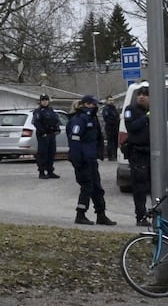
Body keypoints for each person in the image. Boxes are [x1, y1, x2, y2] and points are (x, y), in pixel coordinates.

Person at [66, 94, 112, 225]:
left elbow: (96, 139)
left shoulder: (92, 118)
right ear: (86, 104)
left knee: (97, 187)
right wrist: (77, 159)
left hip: (91, 158)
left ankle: (101, 214)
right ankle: (80, 214)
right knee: (87, 186)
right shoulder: (80, 119)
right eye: (92, 104)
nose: (95, 106)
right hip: (83, 159)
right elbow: (74, 140)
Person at [121, 85, 155, 227]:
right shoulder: (131, 110)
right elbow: (131, 127)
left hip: (152, 152)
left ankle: (157, 216)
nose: (142, 96)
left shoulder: (155, 110)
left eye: (145, 94)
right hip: (138, 152)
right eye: (139, 94)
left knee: (156, 186)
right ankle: (140, 216)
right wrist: (146, 118)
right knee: (139, 187)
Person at [29, 95, 61, 178]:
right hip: (43, 134)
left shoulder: (51, 110)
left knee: (51, 152)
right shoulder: (38, 111)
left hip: (51, 134)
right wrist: (43, 132)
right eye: (43, 100)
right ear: (40, 101)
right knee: (43, 153)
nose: (45, 101)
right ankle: (42, 172)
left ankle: (50, 171)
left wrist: (57, 129)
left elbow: (56, 120)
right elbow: (37, 123)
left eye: (46, 100)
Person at [100, 96, 121, 166]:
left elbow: (117, 117)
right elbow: (107, 118)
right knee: (110, 142)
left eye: (112, 100)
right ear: (107, 101)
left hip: (116, 127)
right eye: (110, 100)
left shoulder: (114, 108)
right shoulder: (106, 109)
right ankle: (110, 156)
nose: (111, 101)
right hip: (110, 127)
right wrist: (114, 121)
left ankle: (115, 155)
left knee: (115, 142)